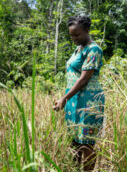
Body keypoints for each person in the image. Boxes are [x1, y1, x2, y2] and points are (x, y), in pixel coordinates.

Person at [53, 15, 105, 171]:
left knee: (87, 142)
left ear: (87, 30)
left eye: (77, 34)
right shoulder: (78, 49)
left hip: (89, 101)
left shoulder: (93, 49)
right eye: (71, 35)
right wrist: (65, 98)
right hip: (73, 100)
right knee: (74, 140)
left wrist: (65, 98)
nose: (74, 38)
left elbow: (83, 79)